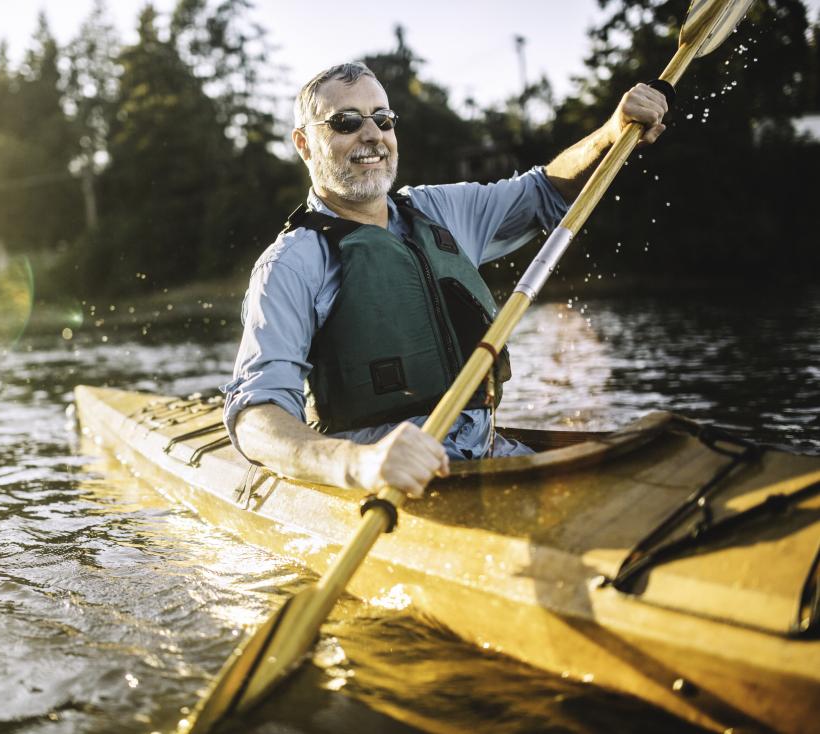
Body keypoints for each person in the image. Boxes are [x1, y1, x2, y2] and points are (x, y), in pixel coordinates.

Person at [221, 62, 668, 499]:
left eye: (383, 118)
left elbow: (546, 191)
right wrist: (359, 463)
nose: (372, 134)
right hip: (387, 486)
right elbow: (255, 419)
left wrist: (612, 132)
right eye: (346, 122)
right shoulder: (290, 264)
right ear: (304, 143)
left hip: (487, 456)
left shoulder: (438, 212)